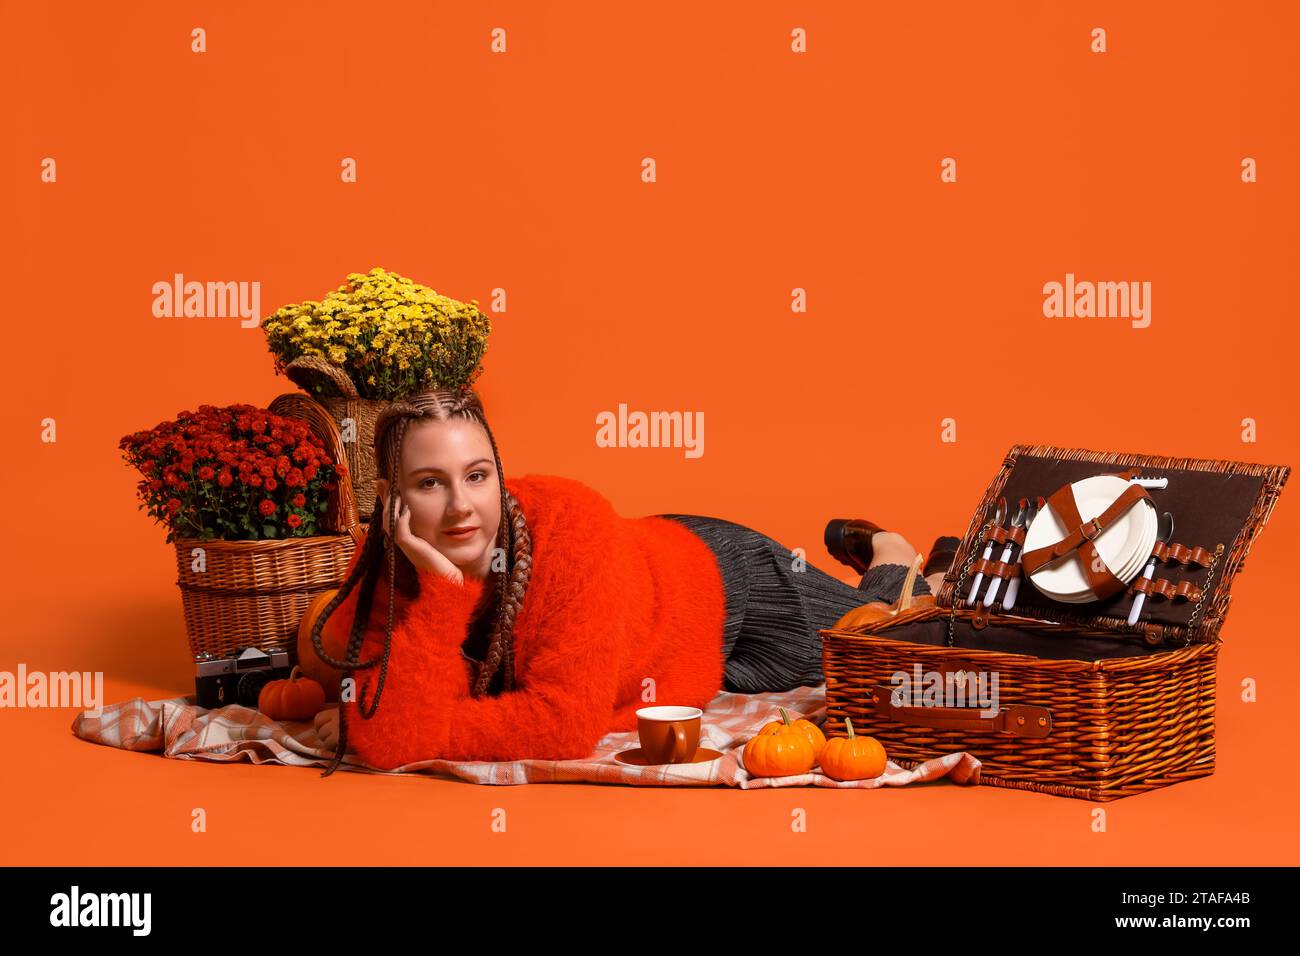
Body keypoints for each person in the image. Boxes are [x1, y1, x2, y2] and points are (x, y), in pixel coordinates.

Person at [306, 386, 956, 774]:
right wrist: (444, 588)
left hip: (718, 583)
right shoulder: (393, 563)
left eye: (477, 475)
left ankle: (893, 555)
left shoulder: (568, 529)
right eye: (430, 483)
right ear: (390, 500)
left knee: (879, 634)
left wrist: (395, 723)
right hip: (647, 620)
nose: (459, 507)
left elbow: (559, 726)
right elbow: (390, 733)